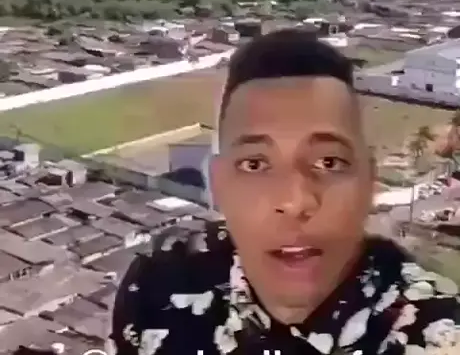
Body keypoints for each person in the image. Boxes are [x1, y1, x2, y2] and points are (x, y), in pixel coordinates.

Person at [111, 29, 460, 355]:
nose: (294, 202)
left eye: (328, 162)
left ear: (368, 183)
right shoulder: (160, 284)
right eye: (255, 164)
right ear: (218, 185)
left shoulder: (432, 330)